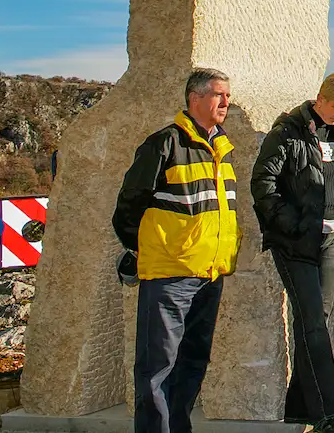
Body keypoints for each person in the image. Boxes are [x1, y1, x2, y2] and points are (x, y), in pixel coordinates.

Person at [112, 68, 241, 433]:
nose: (226, 102)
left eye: (227, 95)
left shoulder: (221, 147)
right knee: (157, 367)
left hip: (210, 274)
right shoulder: (164, 144)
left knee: (192, 362)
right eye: (219, 95)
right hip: (170, 275)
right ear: (195, 98)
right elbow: (128, 207)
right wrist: (148, 249)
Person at [250, 72, 334, 433]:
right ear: (320, 100)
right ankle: (330, 413)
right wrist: (292, 225)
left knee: (319, 320)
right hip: (296, 243)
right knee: (313, 321)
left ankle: (300, 406)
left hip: (330, 241)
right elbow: (263, 183)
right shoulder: (287, 131)